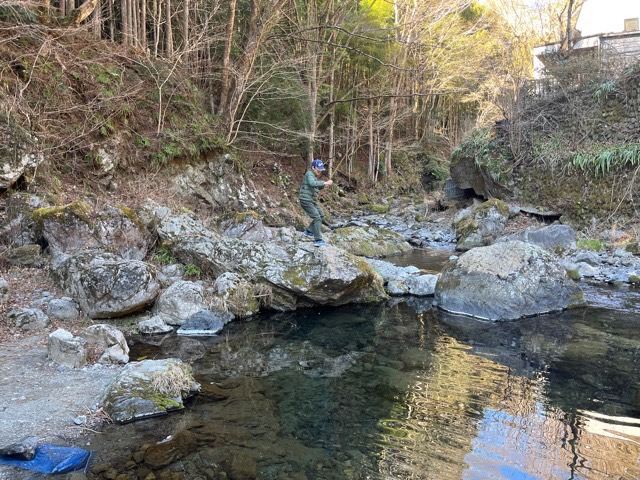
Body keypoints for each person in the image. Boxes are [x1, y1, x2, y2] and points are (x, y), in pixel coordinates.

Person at [299, 158, 333, 247]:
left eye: (321, 170)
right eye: (318, 169)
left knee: (321, 216)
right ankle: (318, 240)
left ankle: (309, 231)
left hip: (312, 200)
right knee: (317, 218)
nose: (320, 171)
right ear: (313, 168)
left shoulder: (313, 176)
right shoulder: (309, 174)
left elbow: (315, 187)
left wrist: (325, 185)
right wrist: (325, 183)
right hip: (306, 200)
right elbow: (312, 183)